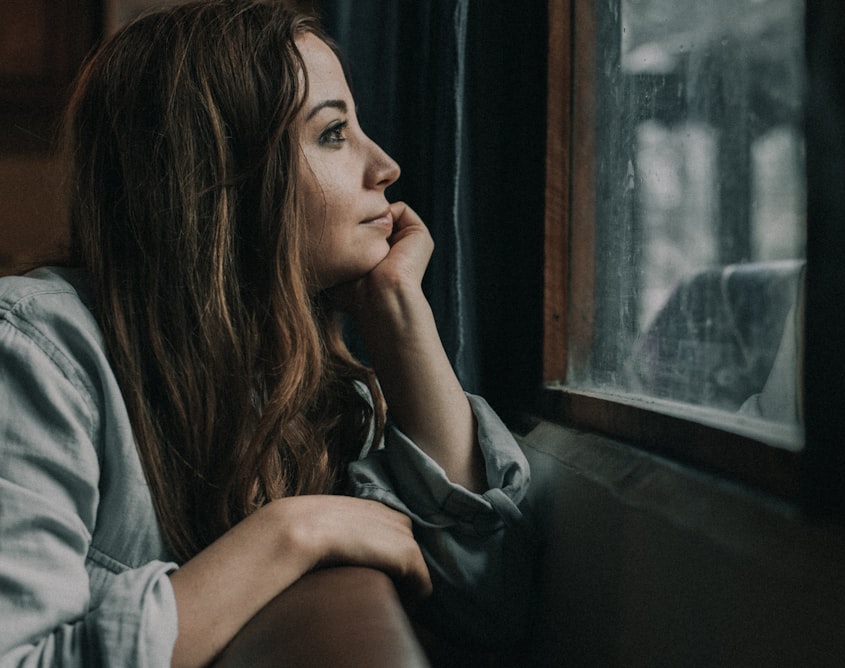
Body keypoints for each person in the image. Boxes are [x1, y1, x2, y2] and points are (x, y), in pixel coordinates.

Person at [0, 1, 532, 665]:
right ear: (218, 174)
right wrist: (291, 531)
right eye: (335, 134)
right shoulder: (34, 352)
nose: (387, 165)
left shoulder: (307, 387)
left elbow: (487, 611)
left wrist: (399, 312)